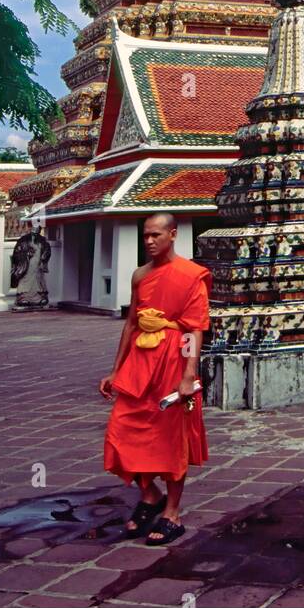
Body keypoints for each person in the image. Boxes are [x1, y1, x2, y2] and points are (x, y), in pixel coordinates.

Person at [100, 212, 211, 546]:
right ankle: (149, 494)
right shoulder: (140, 275)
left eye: (156, 235)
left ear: (173, 234)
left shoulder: (191, 275)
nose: (149, 241)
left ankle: (172, 513)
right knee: (122, 430)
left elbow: (194, 328)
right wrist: (116, 369)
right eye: (145, 236)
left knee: (171, 438)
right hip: (140, 362)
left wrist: (189, 374)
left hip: (174, 360)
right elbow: (131, 323)